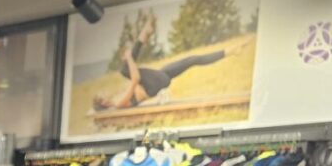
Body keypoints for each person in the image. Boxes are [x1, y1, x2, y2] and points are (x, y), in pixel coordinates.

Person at [93, 39, 231, 113]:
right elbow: (135, 79)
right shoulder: (118, 103)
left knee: (191, 60)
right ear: (104, 103)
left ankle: (226, 52)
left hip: (158, 79)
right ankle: (137, 45)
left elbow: (136, 82)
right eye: (102, 95)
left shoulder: (117, 100)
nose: (105, 92)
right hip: (154, 85)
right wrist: (129, 58)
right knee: (124, 70)